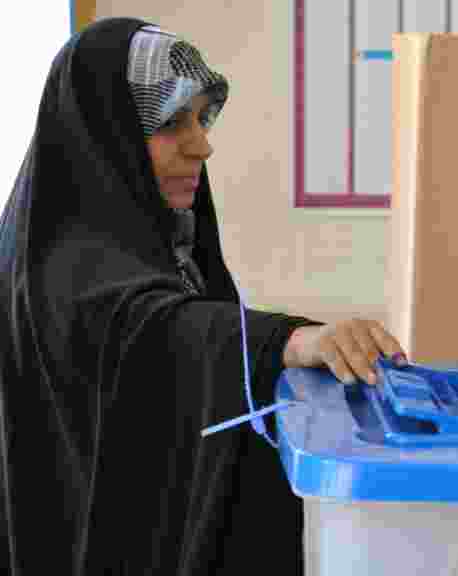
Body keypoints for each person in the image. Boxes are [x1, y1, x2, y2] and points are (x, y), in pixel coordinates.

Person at [0, 18, 408, 574]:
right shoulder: (58, 266)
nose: (202, 144)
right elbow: (146, 330)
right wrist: (291, 341)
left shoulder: (165, 240)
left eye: (200, 118)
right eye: (170, 123)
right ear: (105, 139)